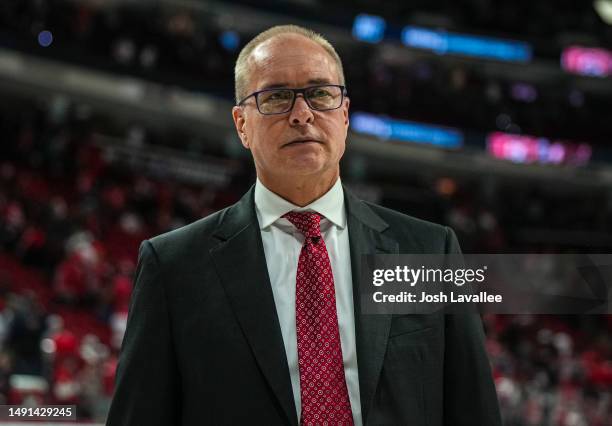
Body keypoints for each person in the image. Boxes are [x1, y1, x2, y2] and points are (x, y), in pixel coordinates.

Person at [106, 25, 502, 426]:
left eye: (320, 94)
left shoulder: (429, 251)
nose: (301, 114)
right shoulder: (174, 265)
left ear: (344, 115)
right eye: (276, 97)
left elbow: (474, 411)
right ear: (242, 124)